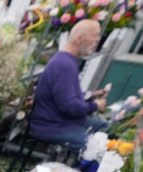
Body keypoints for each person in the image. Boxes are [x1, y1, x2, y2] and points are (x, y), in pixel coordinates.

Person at [29, 19, 108, 149]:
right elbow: (69, 106)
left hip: (59, 121)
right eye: (94, 35)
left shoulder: (67, 60)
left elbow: (68, 96)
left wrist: (92, 95)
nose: (98, 40)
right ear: (78, 38)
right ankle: (75, 169)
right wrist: (95, 105)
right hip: (51, 125)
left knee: (102, 126)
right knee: (93, 146)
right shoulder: (64, 64)